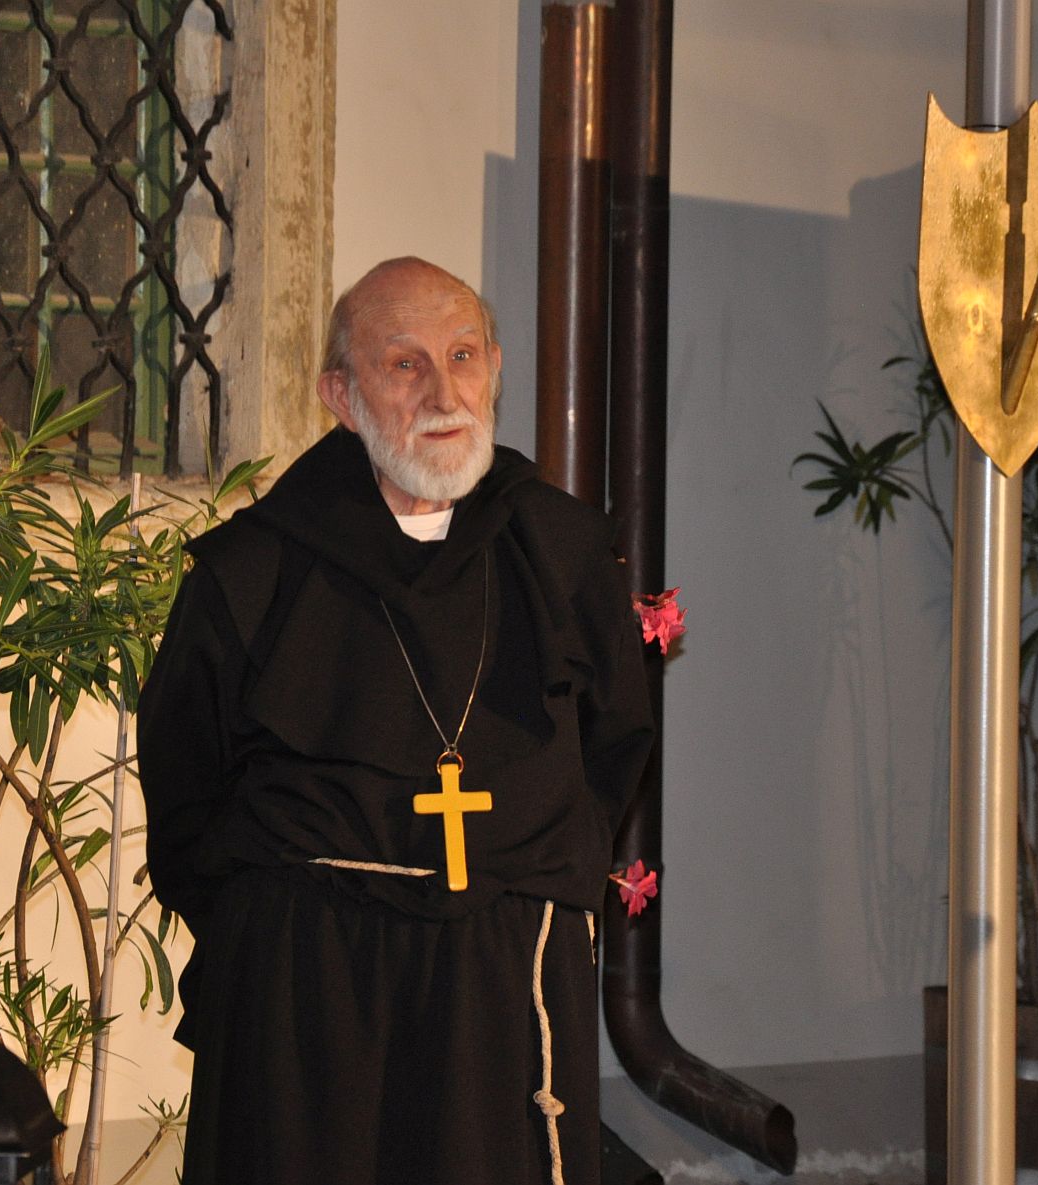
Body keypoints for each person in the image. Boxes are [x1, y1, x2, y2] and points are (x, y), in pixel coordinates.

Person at [138, 256, 653, 1185]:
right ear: (342, 395)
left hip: (504, 981)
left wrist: (530, 877)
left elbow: (614, 745)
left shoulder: (563, 550)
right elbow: (185, 788)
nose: (444, 393)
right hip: (306, 990)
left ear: (495, 367)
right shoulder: (252, 571)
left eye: (462, 356)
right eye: (405, 364)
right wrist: (279, 921)